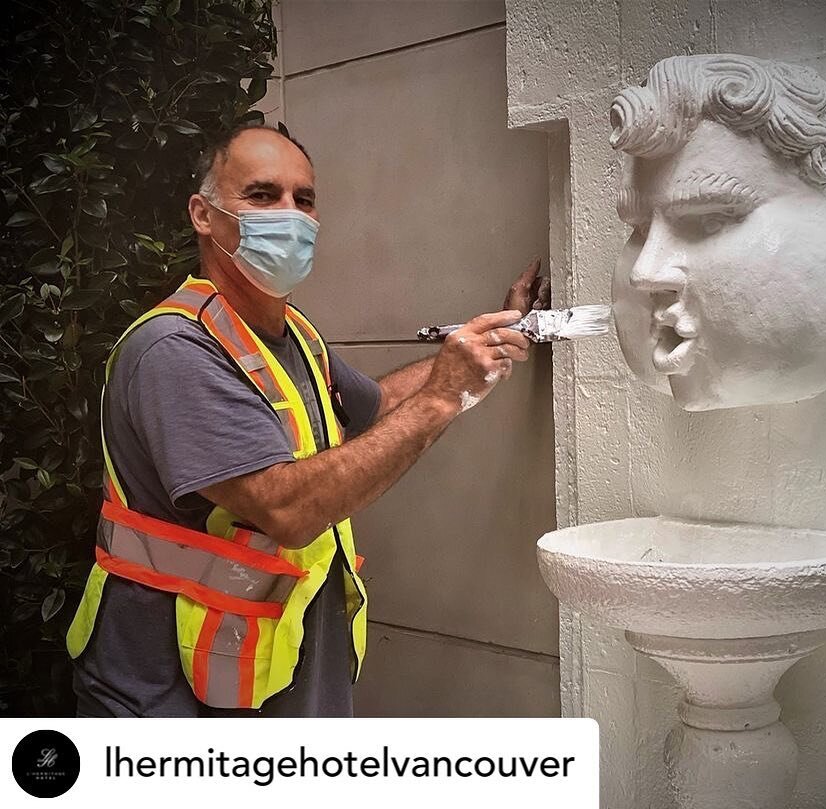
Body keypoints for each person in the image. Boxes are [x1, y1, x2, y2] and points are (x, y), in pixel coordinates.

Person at [66, 123, 550, 717]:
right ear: (203, 214)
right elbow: (286, 511)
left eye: (305, 199)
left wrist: (484, 348)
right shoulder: (175, 350)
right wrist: (441, 398)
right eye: (263, 196)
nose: (290, 216)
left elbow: (376, 405)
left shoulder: (290, 334)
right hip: (171, 698)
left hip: (264, 673)